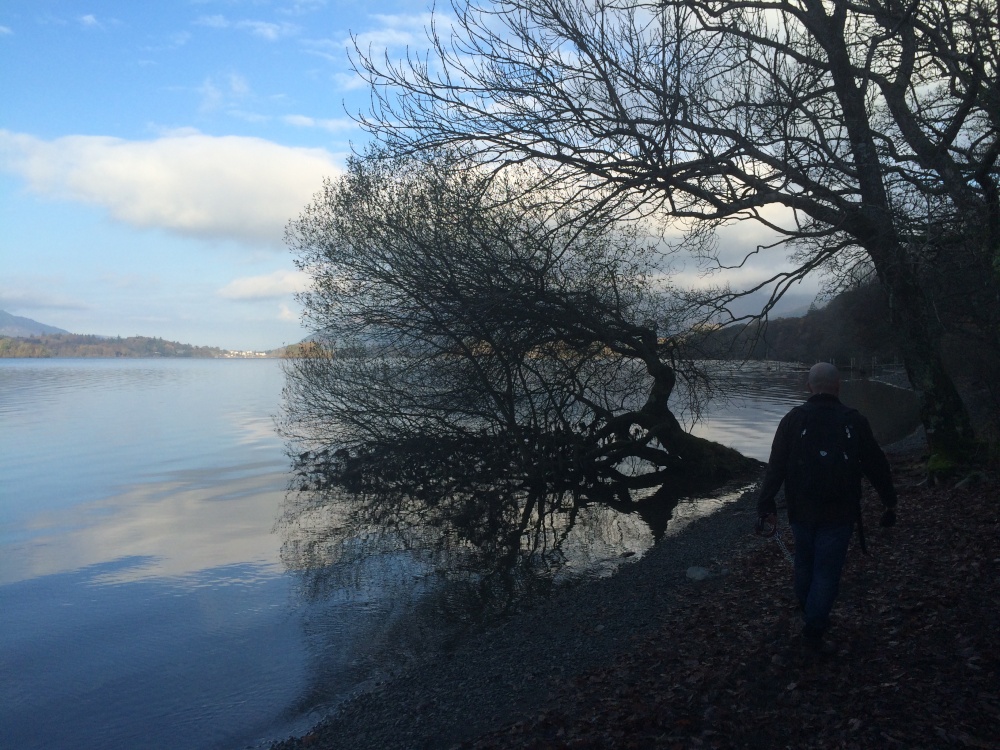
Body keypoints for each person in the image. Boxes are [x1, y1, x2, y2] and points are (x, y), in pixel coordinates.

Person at [757, 362, 897, 653]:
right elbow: (876, 464)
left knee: (805, 562)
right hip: (840, 511)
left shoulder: (793, 419)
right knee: (826, 569)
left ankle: (810, 612)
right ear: (838, 386)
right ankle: (814, 627)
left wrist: (766, 503)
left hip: (801, 508)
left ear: (809, 387)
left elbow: (776, 466)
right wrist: (888, 500)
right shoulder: (854, 420)